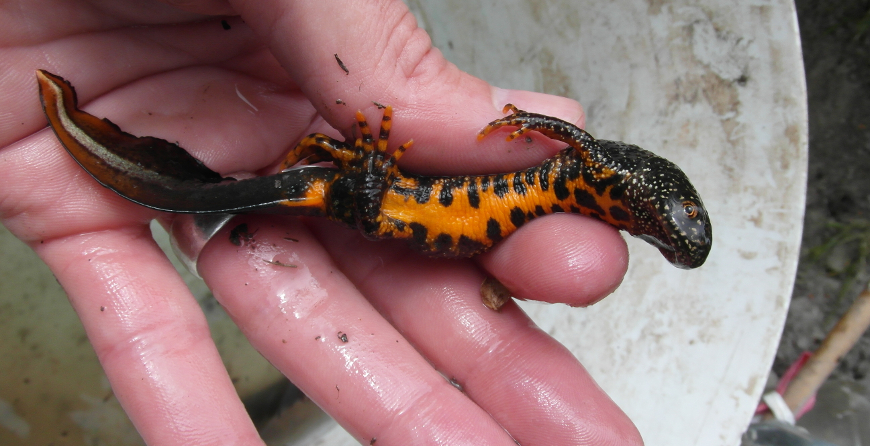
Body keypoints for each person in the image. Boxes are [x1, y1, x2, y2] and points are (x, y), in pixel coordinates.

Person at [0, 0, 642, 444]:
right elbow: (559, 137)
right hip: (383, 201)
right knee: (320, 186)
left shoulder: (575, 182)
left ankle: (85, 130)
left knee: (302, 190)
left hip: (385, 207)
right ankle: (76, 125)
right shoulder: (584, 164)